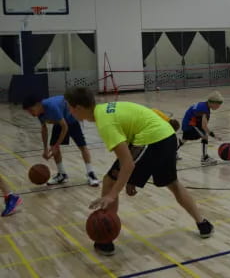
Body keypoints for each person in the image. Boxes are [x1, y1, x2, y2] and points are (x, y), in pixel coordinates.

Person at [64, 87, 214, 256]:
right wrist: (131, 180)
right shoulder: (106, 109)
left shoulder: (105, 123)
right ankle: (203, 224)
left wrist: (112, 195)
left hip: (152, 140)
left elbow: (127, 163)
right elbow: (131, 146)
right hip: (168, 136)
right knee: (173, 183)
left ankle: (105, 240)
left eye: (69, 107)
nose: (68, 111)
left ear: (78, 107)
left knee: (109, 181)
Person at [22, 95, 99, 186]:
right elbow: (44, 129)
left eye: (31, 110)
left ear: (38, 104)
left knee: (82, 146)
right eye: (29, 112)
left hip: (71, 118)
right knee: (53, 147)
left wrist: (56, 146)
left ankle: (91, 173)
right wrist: (45, 149)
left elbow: (65, 127)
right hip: (60, 121)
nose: (31, 113)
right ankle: (62, 175)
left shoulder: (51, 107)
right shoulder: (39, 113)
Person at [179, 91, 223, 166]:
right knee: (204, 136)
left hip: (187, 124)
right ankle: (204, 158)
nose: (219, 107)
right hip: (190, 125)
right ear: (213, 103)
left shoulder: (203, 105)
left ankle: (172, 153)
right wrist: (214, 136)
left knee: (185, 139)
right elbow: (204, 126)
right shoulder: (204, 110)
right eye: (218, 105)